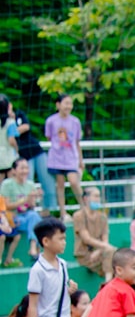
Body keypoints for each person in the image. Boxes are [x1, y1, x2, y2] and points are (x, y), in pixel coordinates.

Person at [44, 94, 84, 222]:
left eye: (70, 103)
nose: (68, 106)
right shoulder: (51, 121)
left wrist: (81, 160)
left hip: (71, 157)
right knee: (60, 184)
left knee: (74, 181)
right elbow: (49, 137)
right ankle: (63, 213)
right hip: (56, 157)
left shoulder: (75, 121)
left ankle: (84, 207)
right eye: (66, 103)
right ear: (58, 105)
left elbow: (77, 142)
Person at [13, 102, 56, 212]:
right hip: (23, 155)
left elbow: (26, 127)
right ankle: (29, 210)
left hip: (36, 150)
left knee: (48, 180)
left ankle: (50, 210)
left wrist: (11, 132)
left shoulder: (19, 114)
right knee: (28, 182)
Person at [1, 158, 42, 263]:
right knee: (34, 220)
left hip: (26, 216)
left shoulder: (30, 184)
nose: (25, 171)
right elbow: (6, 206)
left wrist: (34, 199)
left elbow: (31, 207)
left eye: (26, 168)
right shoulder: (7, 184)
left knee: (34, 216)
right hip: (11, 218)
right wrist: (25, 200)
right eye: (22, 168)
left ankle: (33, 248)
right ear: (14, 170)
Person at [72, 187, 116, 279]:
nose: (98, 199)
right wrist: (105, 247)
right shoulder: (79, 216)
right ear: (86, 198)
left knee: (115, 258)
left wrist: (99, 251)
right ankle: (108, 283)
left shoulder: (102, 217)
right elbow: (86, 239)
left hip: (100, 252)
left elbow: (105, 239)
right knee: (111, 253)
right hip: (84, 254)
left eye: (99, 196)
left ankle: (108, 282)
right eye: (95, 196)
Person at [0, 96, 19, 180]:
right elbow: (11, 140)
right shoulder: (10, 122)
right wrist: (17, 148)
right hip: (9, 156)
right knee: (12, 182)